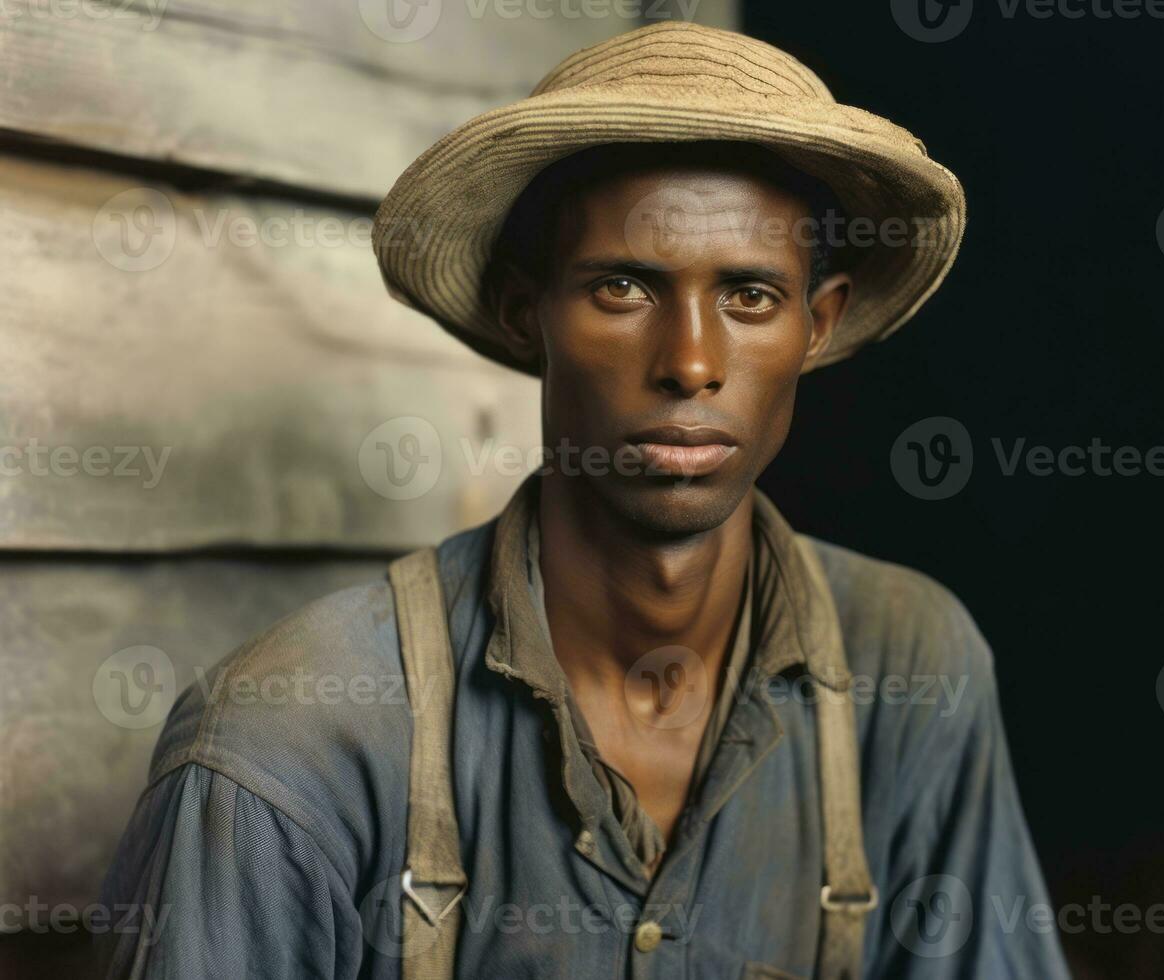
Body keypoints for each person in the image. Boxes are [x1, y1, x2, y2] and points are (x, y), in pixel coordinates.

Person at [99, 21, 1069, 979]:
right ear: (530, 314)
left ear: (814, 325)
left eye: (747, 297)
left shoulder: (905, 665)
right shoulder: (288, 742)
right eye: (620, 288)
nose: (689, 362)